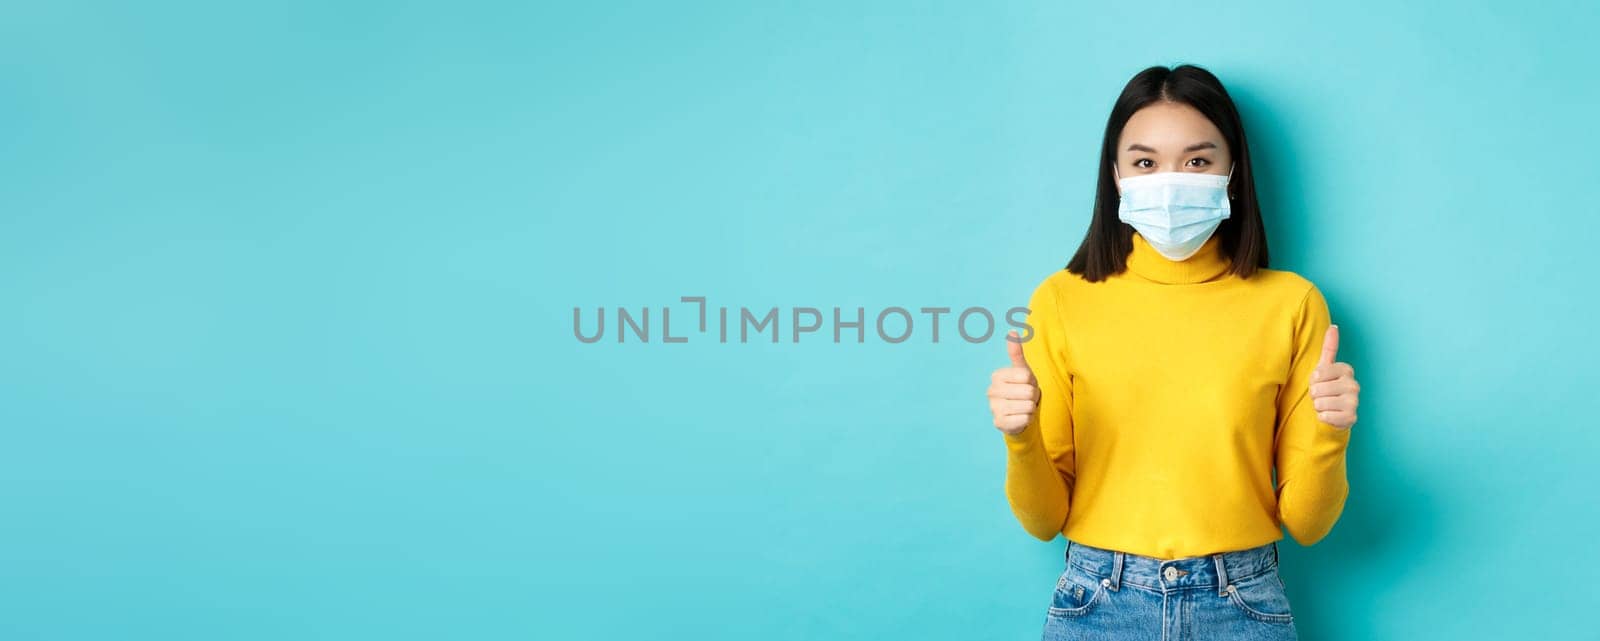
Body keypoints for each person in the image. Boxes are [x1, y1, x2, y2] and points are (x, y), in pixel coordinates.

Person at [985, 64, 1361, 641]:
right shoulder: (1062, 300)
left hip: (1242, 600)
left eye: (1196, 160)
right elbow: (1044, 521)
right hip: (1098, 598)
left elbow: (1308, 526)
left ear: (1231, 173)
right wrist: (1020, 438)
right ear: (1115, 176)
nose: (1170, 180)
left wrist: (1332, 433)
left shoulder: (1292, 304)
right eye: (1144, 162)